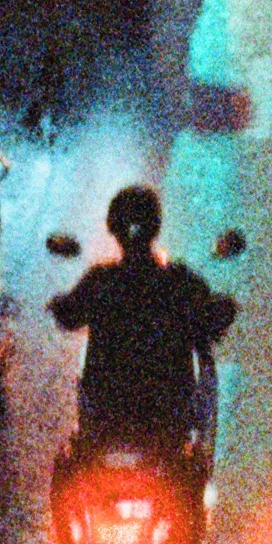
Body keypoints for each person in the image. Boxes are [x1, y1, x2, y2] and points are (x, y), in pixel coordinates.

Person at [47, 184, 233, 460]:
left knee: (70, 460)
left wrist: (58, 305)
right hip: (168, 422)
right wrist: (224, 308)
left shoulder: (101, 281)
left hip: (105, 419)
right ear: (155, 228)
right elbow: (211, 318)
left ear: (114, 229)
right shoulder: (179, 281)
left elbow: (70, 314)